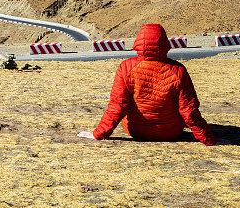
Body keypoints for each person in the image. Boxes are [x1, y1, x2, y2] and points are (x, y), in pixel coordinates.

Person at [77, 23, 218, 146]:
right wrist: (208, 139)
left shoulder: (126, 67)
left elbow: (117, 106)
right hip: (171, 133)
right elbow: (189, 110)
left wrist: (98, 134)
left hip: (137, 131)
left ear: (138, 41)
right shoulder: (178, 70)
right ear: (164, 42)